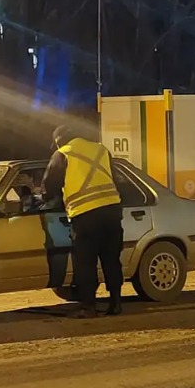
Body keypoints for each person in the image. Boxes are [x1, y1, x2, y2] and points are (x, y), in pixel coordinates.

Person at [43, 122, 124, 316]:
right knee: (111, 259)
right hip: (112, 211)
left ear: (58, 141)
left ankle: (89, 306)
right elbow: (115, 178)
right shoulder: (100, 149)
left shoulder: (63, 154)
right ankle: (116, 302)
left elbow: (50, 185)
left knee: (86, 262)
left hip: (85, 214)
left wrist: (45, 198)